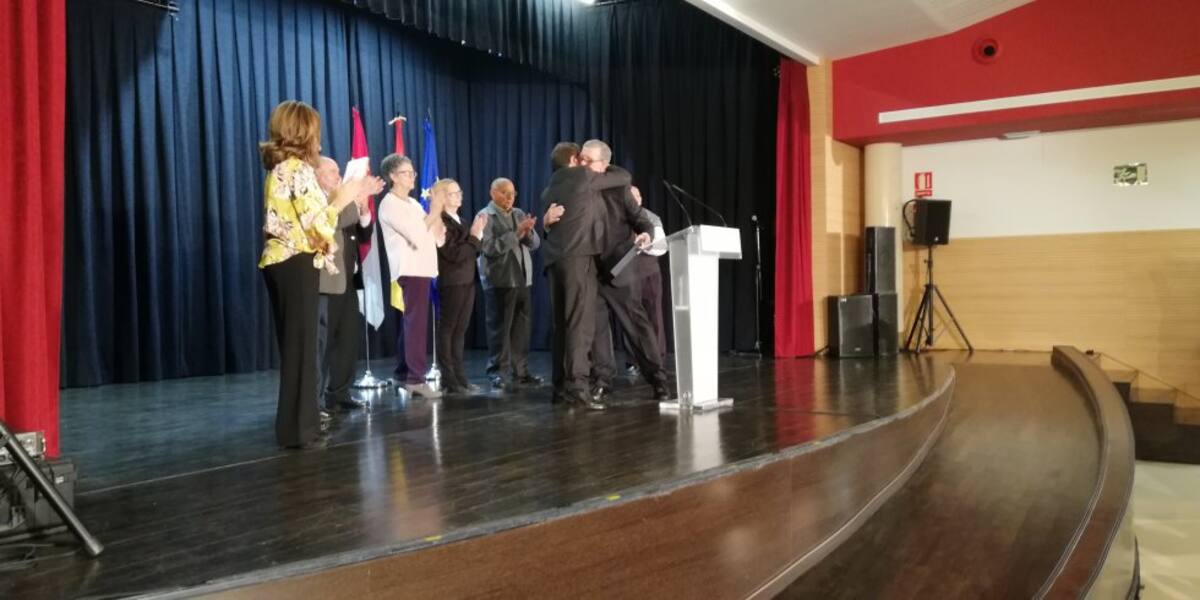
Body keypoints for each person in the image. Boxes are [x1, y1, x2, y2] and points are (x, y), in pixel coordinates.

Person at [257, 100, 381, 449]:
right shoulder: (297, 169)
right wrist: (344, 197)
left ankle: (296, 427)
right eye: (315, 130)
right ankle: (302, 430)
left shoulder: (281, 167)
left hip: (284, 262)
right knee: (303, 351)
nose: (320, 138)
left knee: (298, 350)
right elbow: (318, 227)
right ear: (303, 132)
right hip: (297, 263)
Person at [540, 141, 643, 409]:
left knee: (561, 325)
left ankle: (560, 387)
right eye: (582, 158)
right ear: (575, 160)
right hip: (578, 258)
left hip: (553, 261)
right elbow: (623, 176)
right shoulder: (582, 177)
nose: (585, 162)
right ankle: (578, 388)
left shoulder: (549, 187)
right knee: (580, 325)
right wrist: (603, 163)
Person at [577, 140, 668, 402]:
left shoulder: (619, 188)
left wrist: (646, 233)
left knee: (636, 327)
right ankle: (602, 380)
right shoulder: (576, 187)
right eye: (581, 158)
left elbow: (640, 219)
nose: (582, 163)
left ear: (604, 164)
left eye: (588, 160)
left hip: (619, 268)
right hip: (589, 269)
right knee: (596, 330)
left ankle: (658, 379)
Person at [378, 153, 445, 399]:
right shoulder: (389, 204)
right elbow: (415, 234)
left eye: (412, 172)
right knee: (416, 324)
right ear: (393, 176)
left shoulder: (414, 204)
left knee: (412, 321)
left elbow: (434, 236)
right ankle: (416, 379)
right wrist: (434, 211)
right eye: (406, 173)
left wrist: (437, 215)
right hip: (410, 268)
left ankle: (402, 372)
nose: (412, 177)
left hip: (423, 267)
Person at [314, 157, 373, 414]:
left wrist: (362, 204)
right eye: (332, 171)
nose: (338, 176)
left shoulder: (342, 200)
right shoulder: (319, 199)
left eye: (339, 171)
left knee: (347, 339)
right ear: (316, 174)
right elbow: (334, 220)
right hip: (327, 281)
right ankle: (315, 402)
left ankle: (339, 393)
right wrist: (355, 196)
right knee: (323, 344)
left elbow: (364, 233)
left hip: (348, 280)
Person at [477, 177, 542, 390]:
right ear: (493, 193)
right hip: (500, 280)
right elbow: (488, 248)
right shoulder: (485, 216)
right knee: (500, 329)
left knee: (521, 329)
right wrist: (516, 233)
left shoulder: (519, 213)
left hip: (523, 279)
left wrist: (528, 232)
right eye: (504, 193)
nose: (509, 197)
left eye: (512, 193)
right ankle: (498, 372)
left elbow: (535, 244)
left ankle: (520, 371)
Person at [434, 178, 487, 395]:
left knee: (460, 330)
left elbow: (473, 250)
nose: (459, 197)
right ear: (442, 197)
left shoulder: (462, 221)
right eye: (453, 193)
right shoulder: (440, 221)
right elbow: (454, 254)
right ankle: (448, 379)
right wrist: (474, 237)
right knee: (448, 329)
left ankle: (460, 377)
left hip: (467, 279)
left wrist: (476, 237)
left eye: (459, 192)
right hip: (452, 281)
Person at [622, 186, 668, 375]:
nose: (636, 198)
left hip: (649, 273)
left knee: (654, 316)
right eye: (632, 196)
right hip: (626, 274)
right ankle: (633, 360)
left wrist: (646, 244)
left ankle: (657, 359)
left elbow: (662, 246)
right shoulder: (619, 218)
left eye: (638, 195)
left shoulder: (651, 217)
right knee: (630, 318)